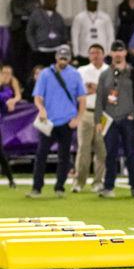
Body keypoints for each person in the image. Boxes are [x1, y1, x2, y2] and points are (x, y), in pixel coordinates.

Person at [27, 44, 86, 198]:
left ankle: (60, 187)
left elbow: (82, 99)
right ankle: (37, 187)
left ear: (70, 58)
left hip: (67, 121)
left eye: (66, 57)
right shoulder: (46, 74)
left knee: (64, 157)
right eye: (61, 56)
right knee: (41, 155)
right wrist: (41, 109)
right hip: (49, 122)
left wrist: (78, 118)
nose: (63, 59)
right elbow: (38, 97)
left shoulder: (75, 75)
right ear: (56, 57)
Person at [95, 40, 134, 198]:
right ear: (111, 54)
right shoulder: (104, 75)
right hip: (109, 119)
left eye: (120, 51)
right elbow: (100, 99)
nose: (117, 54)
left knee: (131, 153)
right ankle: (108, 186)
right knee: (110, 154)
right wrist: (98, 120)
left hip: (127, 118)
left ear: (125, 53)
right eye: (114, 51)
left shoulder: (133, 73)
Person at [72, 43, 108, 193]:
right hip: (86, 112)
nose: (95, 55)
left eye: (98, 52)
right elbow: (76, 92)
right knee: (83, 148)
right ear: (88, 55)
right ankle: (79, 181)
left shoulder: (110, 71)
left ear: (103, 54)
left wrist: (97, 89)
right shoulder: (81, 71)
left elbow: (115, 93)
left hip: (104, 113)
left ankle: (98, 181)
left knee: (101, 149)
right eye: (92, 53)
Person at [8, 0, 40, 83]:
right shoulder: (15, 0)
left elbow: (37, 12)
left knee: (31, 56)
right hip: (19, 31)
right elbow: (16, 11)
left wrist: (25, 11)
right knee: (19, 57)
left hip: (32, 31)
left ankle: (31, 80)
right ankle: (19, 81)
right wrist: (29, 11)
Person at [70, 0, 114, 65]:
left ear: (96, 3)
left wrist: (109, 52)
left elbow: (110, 35)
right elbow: (74, 36)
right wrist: (76, 53)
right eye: (88, 2)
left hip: (103, 53)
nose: (89, 4)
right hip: (84, 53)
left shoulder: (105, 17)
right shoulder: (79, 17)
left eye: (92, 2)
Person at [26, 0, 68, 67]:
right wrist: (34, 47)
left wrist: (63, 45)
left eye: (54, 1)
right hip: (41, 51)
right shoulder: (36, 14)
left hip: (56, 51)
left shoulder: (58, 16)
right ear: (45, 2)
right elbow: (29, 32)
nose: (53, 3)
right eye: (50, 1)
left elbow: (63, 32)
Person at [0, 65, 21, 187]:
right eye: (4, 72)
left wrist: (12, 101)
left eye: (8, 72)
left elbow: (13, 95)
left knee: (1, 152)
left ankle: (10, 179)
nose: (6, 75)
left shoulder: (9, 86)